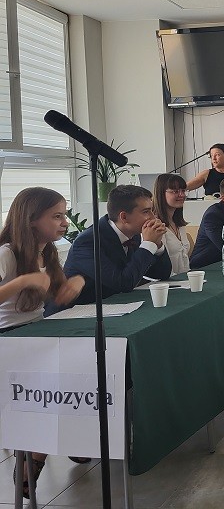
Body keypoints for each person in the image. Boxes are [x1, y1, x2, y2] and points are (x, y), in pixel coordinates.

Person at [1, 188, 87, 498]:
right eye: (57, 216)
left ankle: (68, 439)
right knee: (56, 383)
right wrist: (22, 281)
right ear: (32, 219)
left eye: (64, 215)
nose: (64, 222)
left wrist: (75, 283)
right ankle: (35, 458)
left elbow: (59, 294)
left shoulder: (48, 252)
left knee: (84, 367)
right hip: (9, 341)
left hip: (36, 335)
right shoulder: (7, 253)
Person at [61, 185, 171, 307]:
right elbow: (123, 283)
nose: (153, 217)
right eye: (146, 212)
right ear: (124, 217)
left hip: (115, 305)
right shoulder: (88, 242)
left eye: (151, 211)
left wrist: (157, 244)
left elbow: (161, 274)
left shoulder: (133, 234)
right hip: (77, 310)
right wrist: (148, 244)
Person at [152, 173, 191, 275]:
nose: (182, 195)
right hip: (166, 281)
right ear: (161, 193)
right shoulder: (155, 225)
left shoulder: (179, 223)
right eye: (175, 191)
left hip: (184, 278)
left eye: (183, 190)